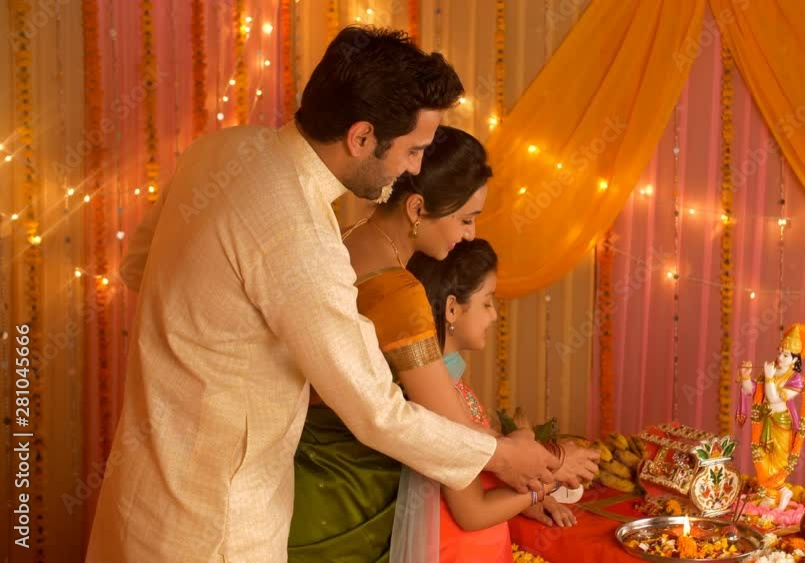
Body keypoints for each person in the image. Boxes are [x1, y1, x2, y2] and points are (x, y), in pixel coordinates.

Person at [88, 27, 558, 562]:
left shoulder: (221, 150)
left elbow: (137, 267)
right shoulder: (302, 236)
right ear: (361, 138)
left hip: (140, 489)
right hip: (219, 521)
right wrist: (497, 455)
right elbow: (376, 413)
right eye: (413, 150)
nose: (414, 170)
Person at [288, 127, 596, 562]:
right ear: (417, 209)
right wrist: (554, 463)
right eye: (465, 219)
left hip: (304, 468)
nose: (470, 234)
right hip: (349, 491)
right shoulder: (397, 291)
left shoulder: (345, 241)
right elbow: (452, 431)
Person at [406, 238, 580, 563]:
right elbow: (472, 512)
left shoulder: (451, 384)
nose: (495, 315)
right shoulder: (439, 395)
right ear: (453, 308)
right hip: (457, 550)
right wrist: (550, 477)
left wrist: (527, 498)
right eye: (487, 302)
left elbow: (481, 469)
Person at [735, 323, 805, 510]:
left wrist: (770, 377)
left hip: (781, 424)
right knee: (760, 456)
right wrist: (746, 377)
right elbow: (752, 392)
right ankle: (778, 491)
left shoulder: (796, 379)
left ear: (795, 360)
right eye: (779, 351)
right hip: (763, 421)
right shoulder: (768, 372)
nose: (779, 357)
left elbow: (774, 398)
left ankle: (773, 493)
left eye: (785, 355)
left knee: (777, 461)